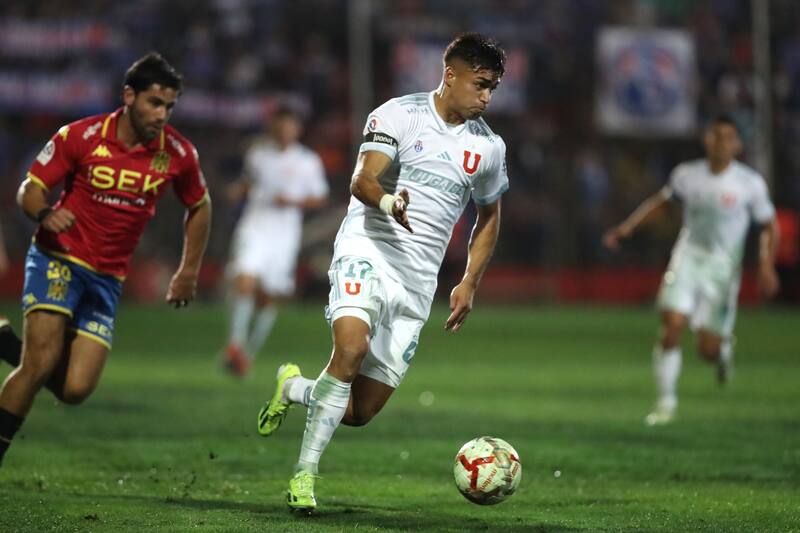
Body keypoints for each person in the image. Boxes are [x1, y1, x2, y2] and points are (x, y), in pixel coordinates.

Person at [255, 33, 508, 512]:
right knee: (350, 347)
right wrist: (390, 201)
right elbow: (361, 179)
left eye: (493, 87)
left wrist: (469, 281)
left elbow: (489, 216)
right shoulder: (399, 114)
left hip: (417, 282)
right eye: (480, 84)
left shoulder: (489, 148)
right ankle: (304, 476)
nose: (487, 97)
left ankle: (292, 387)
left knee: (359, 411)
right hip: (367, 249)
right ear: (450, 74)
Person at [0, 53, 211, 465]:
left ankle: (7, 345)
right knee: (39, 363)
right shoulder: (80, 136)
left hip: (108, 278)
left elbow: (200, 205)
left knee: (75, 390)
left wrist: (188, 270)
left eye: (169, 106)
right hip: (57, 259)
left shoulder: (179, 154)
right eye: (154, 102)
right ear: (129, 96)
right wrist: (45, 213)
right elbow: (30, 187)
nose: (162, 114)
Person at [603, 115, 780, 426]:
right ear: (706, 140)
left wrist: (766, 266)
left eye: (727, 137)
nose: (721, 143)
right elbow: (661, 203)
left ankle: (722, 349)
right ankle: (665, 404)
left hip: (723, 271)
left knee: (707, 350)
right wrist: (627, 228)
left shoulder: (749, 183)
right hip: (687, 259)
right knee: (671, 325)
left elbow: (768, 226)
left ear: (737, 144)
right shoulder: (687, 175)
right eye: (715, 136)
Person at [222, 108, 328, 376]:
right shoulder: (258, 154)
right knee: (244, 280)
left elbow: (319, 198)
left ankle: (247, 354)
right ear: (274, 127)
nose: (284, 132)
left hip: (284, 235)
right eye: (280, 126)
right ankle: (234, 345)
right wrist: (238, 191)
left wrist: (292, 201)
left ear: (297, 129)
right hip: (255, 226)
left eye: (289, 127)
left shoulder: (308, 161)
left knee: (268, 296)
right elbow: (249, 181)